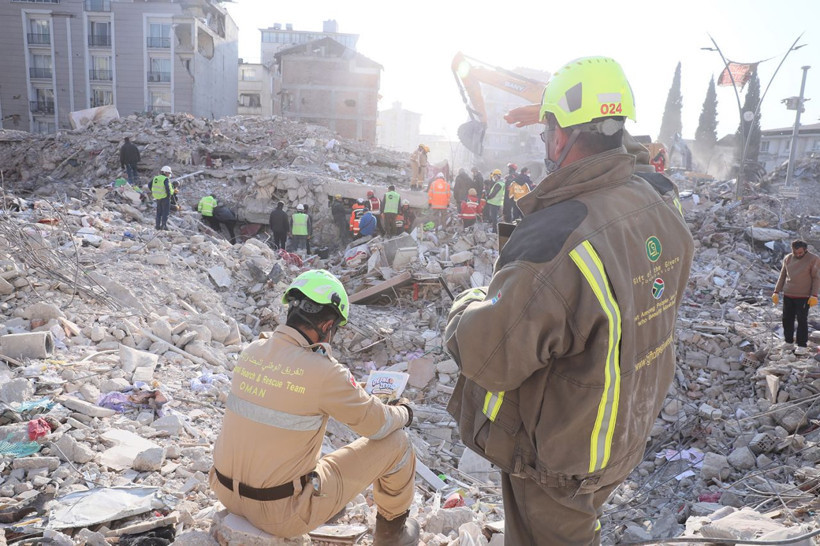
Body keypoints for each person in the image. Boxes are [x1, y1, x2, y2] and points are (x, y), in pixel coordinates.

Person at [444, 56, 694, 545]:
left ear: (559, 138)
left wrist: (468, 303)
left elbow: (487, 355)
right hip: (621, 430)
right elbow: (633, 157)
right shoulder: (660, 198)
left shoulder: (556, 241)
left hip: (561, 459)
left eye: (547, 132)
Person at [210, 270, 419, 545]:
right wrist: (404, 412)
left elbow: (288, 389)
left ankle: (326, 503)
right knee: (398, 442)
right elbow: (377, 425)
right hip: (280, 513)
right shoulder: (325, 372)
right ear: (327, 324)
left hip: (226, 492)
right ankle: (392, 536)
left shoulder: (253, 352)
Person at [773, 240, 820, 355]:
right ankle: (788, 341)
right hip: (788, 294)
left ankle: (802, 345)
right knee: (787, 319)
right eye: (795, 252)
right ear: (792, 250)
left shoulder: (813, 259)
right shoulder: (788, 258)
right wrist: (776, 291)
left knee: (802, 320)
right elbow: (782, 275)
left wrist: (814, 295)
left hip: (803, 296)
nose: (798, 255)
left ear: (805, 250)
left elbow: (816, 278)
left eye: (800, 253)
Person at [151, 166, 173, 230]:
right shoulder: (165, 179)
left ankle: (157, 226)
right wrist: (169, 196)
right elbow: (167, 188)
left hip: (158, 198)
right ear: (165, 172)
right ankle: (164, 225)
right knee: (165, 212)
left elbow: (150, 185)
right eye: (169, 173)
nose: (169, 174)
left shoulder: (155, 178)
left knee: (159, 212)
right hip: (165, 197)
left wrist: (154, 192)